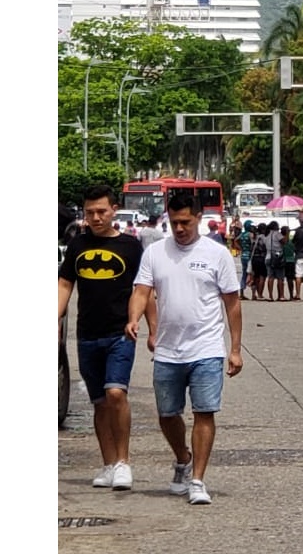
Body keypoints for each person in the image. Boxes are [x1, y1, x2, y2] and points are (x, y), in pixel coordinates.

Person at [125, 193, 242, 506]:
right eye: (174, 222)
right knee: (167, 415)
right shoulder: (155, 253)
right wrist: (134, 318)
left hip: (206, 348)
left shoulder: (217, 254)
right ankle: (182, 458)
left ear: (199, 218)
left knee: (204, 412)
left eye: (185, 222)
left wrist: (235, 349)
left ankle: (197, 480)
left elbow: (232, 304)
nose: (179, 228)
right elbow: (141, 291)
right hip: (168, 350)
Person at [58, 185, 146, 491]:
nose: (95, 218)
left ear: (114, 210)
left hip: (120, 332)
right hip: (86, 334)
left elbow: (144, 290)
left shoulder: (131, 247)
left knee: (115, 394)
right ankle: (108, 464)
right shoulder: (78, 246)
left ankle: (123, 462)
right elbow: (65, 285)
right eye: (89, 212)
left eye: (101, 211)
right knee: (98, 403)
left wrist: (152, 330)